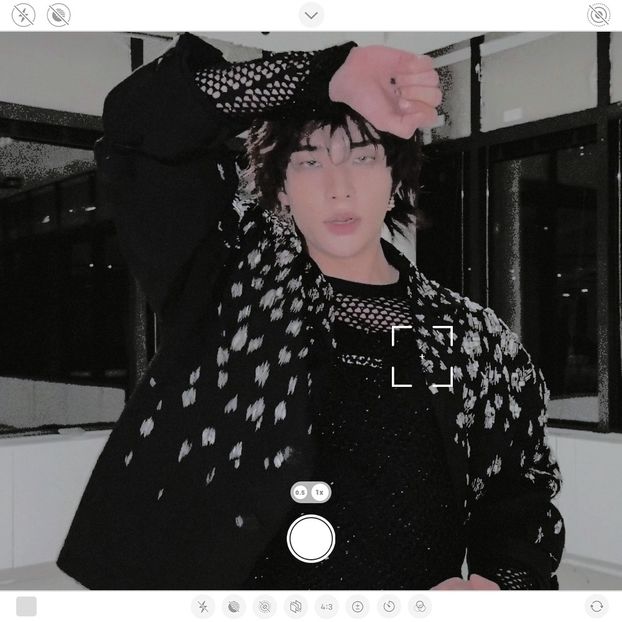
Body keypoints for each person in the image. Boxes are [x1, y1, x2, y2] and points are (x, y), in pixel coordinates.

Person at [56, 32, 565, 590]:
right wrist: (325, 76)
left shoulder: (458, 333)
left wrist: (498, 583)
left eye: (363, 158)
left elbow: (518, 491)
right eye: (309, 161)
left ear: (394, 179)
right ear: (280, 188)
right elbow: (138, 127)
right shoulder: (232, 285)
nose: (339, 188)